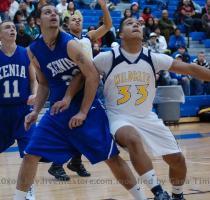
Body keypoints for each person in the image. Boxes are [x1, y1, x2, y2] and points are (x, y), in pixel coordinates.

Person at [13, 5, 150, 200]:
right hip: (57, 113)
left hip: (87, 107)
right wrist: (35, 111)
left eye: (55, 12)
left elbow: (92, 75)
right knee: (30, 155)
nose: (53, 14)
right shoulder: (33, 50)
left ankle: (141, 198)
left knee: (111, 158)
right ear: (37, 21)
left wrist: (83, 112)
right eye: (47, 12)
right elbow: (43, 83)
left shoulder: (70, 44)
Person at [91, 17, 210, 200]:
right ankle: (158, 192)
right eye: (130, 23)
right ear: (121, 34)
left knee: (177, 159)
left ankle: (177, 196)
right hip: (119, 116)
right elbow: (81, 75)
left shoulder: (153, 58)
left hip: (147, 117)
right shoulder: (106, 58)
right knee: (132, 138)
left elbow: (191, 69)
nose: (136, 25)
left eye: (138, 24)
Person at [48, 0, 114, 181]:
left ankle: (75, 161)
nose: (77, 21)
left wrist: (103, 6)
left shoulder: (88, 37)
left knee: (82, 125)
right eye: (73, 19)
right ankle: (56, 164)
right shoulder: (63, 39)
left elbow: (108, 25)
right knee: (67, 127)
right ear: (67, 24)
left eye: (79, 19)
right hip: (68, 87)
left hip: (88, 86)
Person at [0, 20, 37, 200]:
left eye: (13, 27)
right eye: (7, 27)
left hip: (23, 111)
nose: (12, 29)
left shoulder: (25, 53)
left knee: (31, 152)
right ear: (0, 35)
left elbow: (33, 79)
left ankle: (27, 188)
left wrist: (35, 95)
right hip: (2, 112)